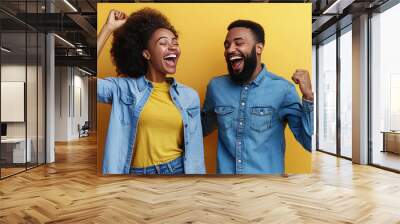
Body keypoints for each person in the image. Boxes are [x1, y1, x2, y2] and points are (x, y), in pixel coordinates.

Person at [97, 8, 205, 175]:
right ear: (146, 54)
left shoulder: (189, 96)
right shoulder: (123, 89)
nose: (172, 47)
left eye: (175, 42)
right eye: (163, 43)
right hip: (134, 175)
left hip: (176, 171)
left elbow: (196, 152)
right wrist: (108, 28)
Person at [201, 20, 314, 174]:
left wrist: (308, 97)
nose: (230, 50)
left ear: (259, 48)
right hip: (226, 188)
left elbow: (309, 142)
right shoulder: (216, 87)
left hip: (266, 189)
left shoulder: (283, 89)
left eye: (238, 43)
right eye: (227, 45)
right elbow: (200, 129)